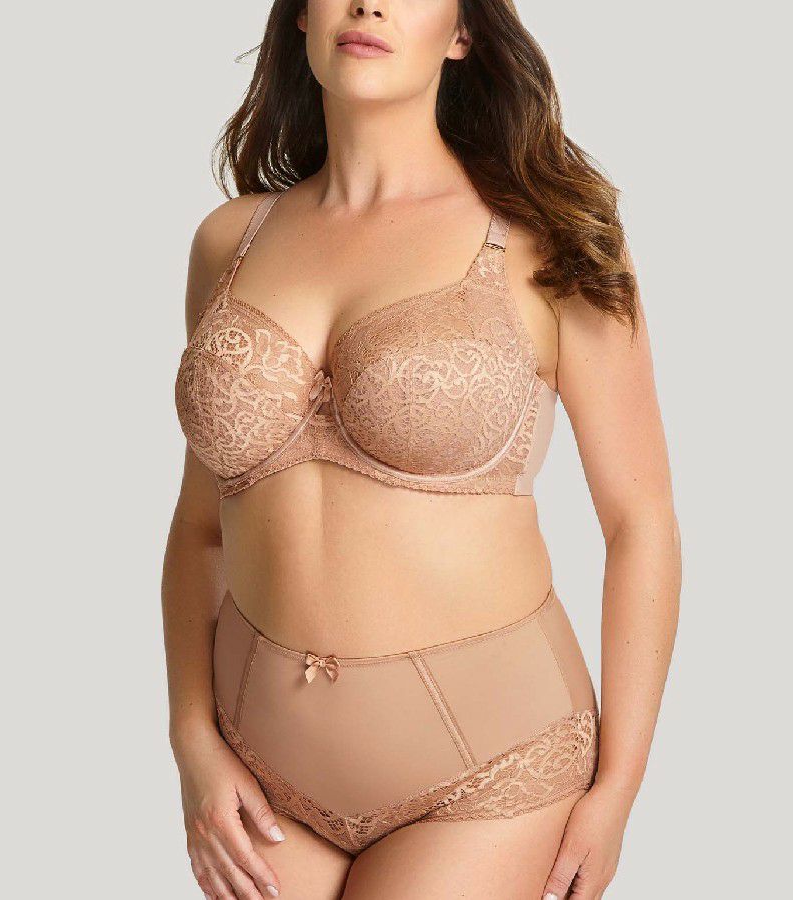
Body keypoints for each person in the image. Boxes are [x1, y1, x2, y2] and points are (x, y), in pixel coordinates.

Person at [162, 2, 681, 898]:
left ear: (464, 32)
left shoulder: (547, 240)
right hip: (261, 768)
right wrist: (192, 741)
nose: (369, 3)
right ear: (300, 16)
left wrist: (621, 784)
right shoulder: (229, 243)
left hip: (488, 770)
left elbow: (641, 522)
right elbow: (201, 528)